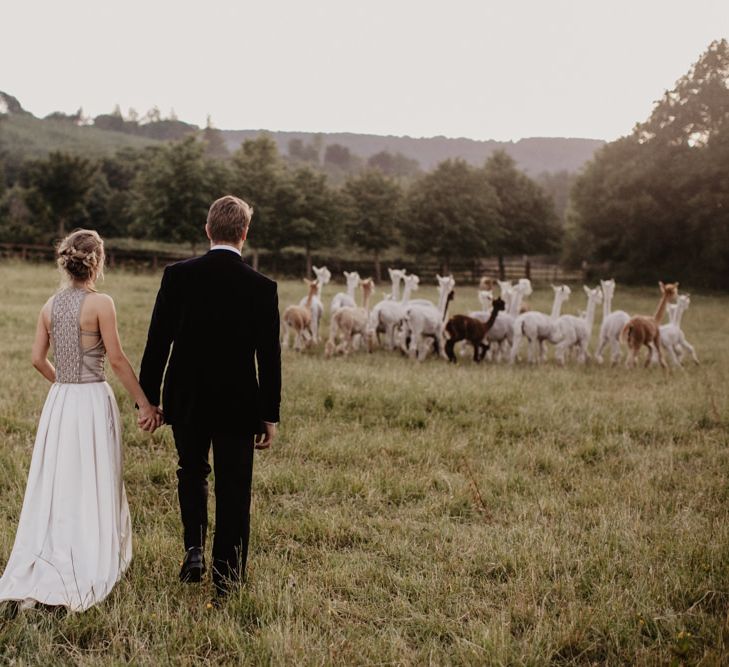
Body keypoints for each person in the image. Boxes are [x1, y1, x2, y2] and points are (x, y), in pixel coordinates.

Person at [0, 230, 162, 612]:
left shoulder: (48, 307)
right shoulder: (101, 303)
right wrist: (145, 405)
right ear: (98, 262)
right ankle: (88, 553)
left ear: (65, 262)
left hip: (61, 402)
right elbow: (118, 360)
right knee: (95, 474)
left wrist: (64, 383)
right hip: (91, 399)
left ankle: (48, 554)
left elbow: (38, 359)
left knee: (59, 478)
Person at [139, 195, 281, 602]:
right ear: (245, 233)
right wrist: (269, 414)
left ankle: (194, 550)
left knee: (192, 470)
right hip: (238, 401)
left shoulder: (177, 275)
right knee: (235, 488)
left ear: (208, 230)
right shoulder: (262, 287)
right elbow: (269, 358)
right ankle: (227, 580)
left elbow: (157, 342)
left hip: (186, 396)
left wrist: (148, 399)